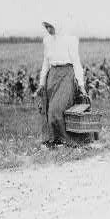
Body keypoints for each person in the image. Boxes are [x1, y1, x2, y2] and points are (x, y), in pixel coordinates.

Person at [36, 20, 87, 148]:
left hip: (66, 76)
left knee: (56, 110)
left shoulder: (70, 39)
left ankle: (66, 140)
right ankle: (54, 140)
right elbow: (45, 63)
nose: (48, 29)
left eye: (50, 26)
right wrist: (41, 83)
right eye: (46, 27)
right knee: (49, 110)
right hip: (52, 77)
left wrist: (81, 85)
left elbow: (76, 62)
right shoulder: (47, 40)